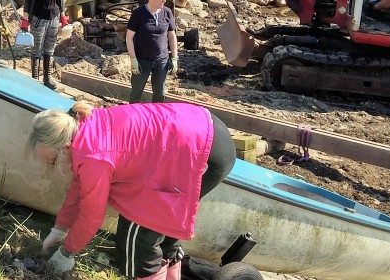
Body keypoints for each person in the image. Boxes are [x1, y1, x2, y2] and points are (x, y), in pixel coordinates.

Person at [28, 101, 235, 280]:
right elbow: (80, 186)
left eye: (52, 160)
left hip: (201, 150)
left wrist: (67, 252)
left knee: (137, 244)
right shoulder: (83, 126)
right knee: (164, 233)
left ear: (65, 147)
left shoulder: (93, 157)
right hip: (203, 127)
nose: (53, 165)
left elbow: (91, 215)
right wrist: (60, 229)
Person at [22, 0, 67, 88]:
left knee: (49, 49)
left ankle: (47, 78)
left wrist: (63, 17)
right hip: (38, 18)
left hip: (54, 17)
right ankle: (34, 79)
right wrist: (25, 19)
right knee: (36, 49)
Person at [125, 0, 178, 103]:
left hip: (161, 61)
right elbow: (129, 37)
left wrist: (174, 58)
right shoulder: (138, 13)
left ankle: (156, 114)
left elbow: (171, 35)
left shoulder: (167, 12)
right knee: (136, 92)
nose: (165, 0)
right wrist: (133, 59)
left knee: (160, 93)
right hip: (142, 60)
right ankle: (134, 113)